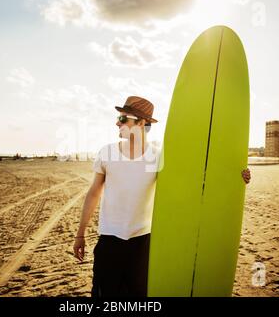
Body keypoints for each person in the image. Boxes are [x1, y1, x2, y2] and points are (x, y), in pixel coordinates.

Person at [73, 96, 251, 297]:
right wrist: (80, 234)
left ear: (141, 123)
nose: (117, 123)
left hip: (143, 242)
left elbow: (194, 180)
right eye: (118, 118)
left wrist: (235, 179)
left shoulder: (157, 157)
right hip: (109, 240)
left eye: (123, 119)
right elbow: (94, 192)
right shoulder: (106, 153)